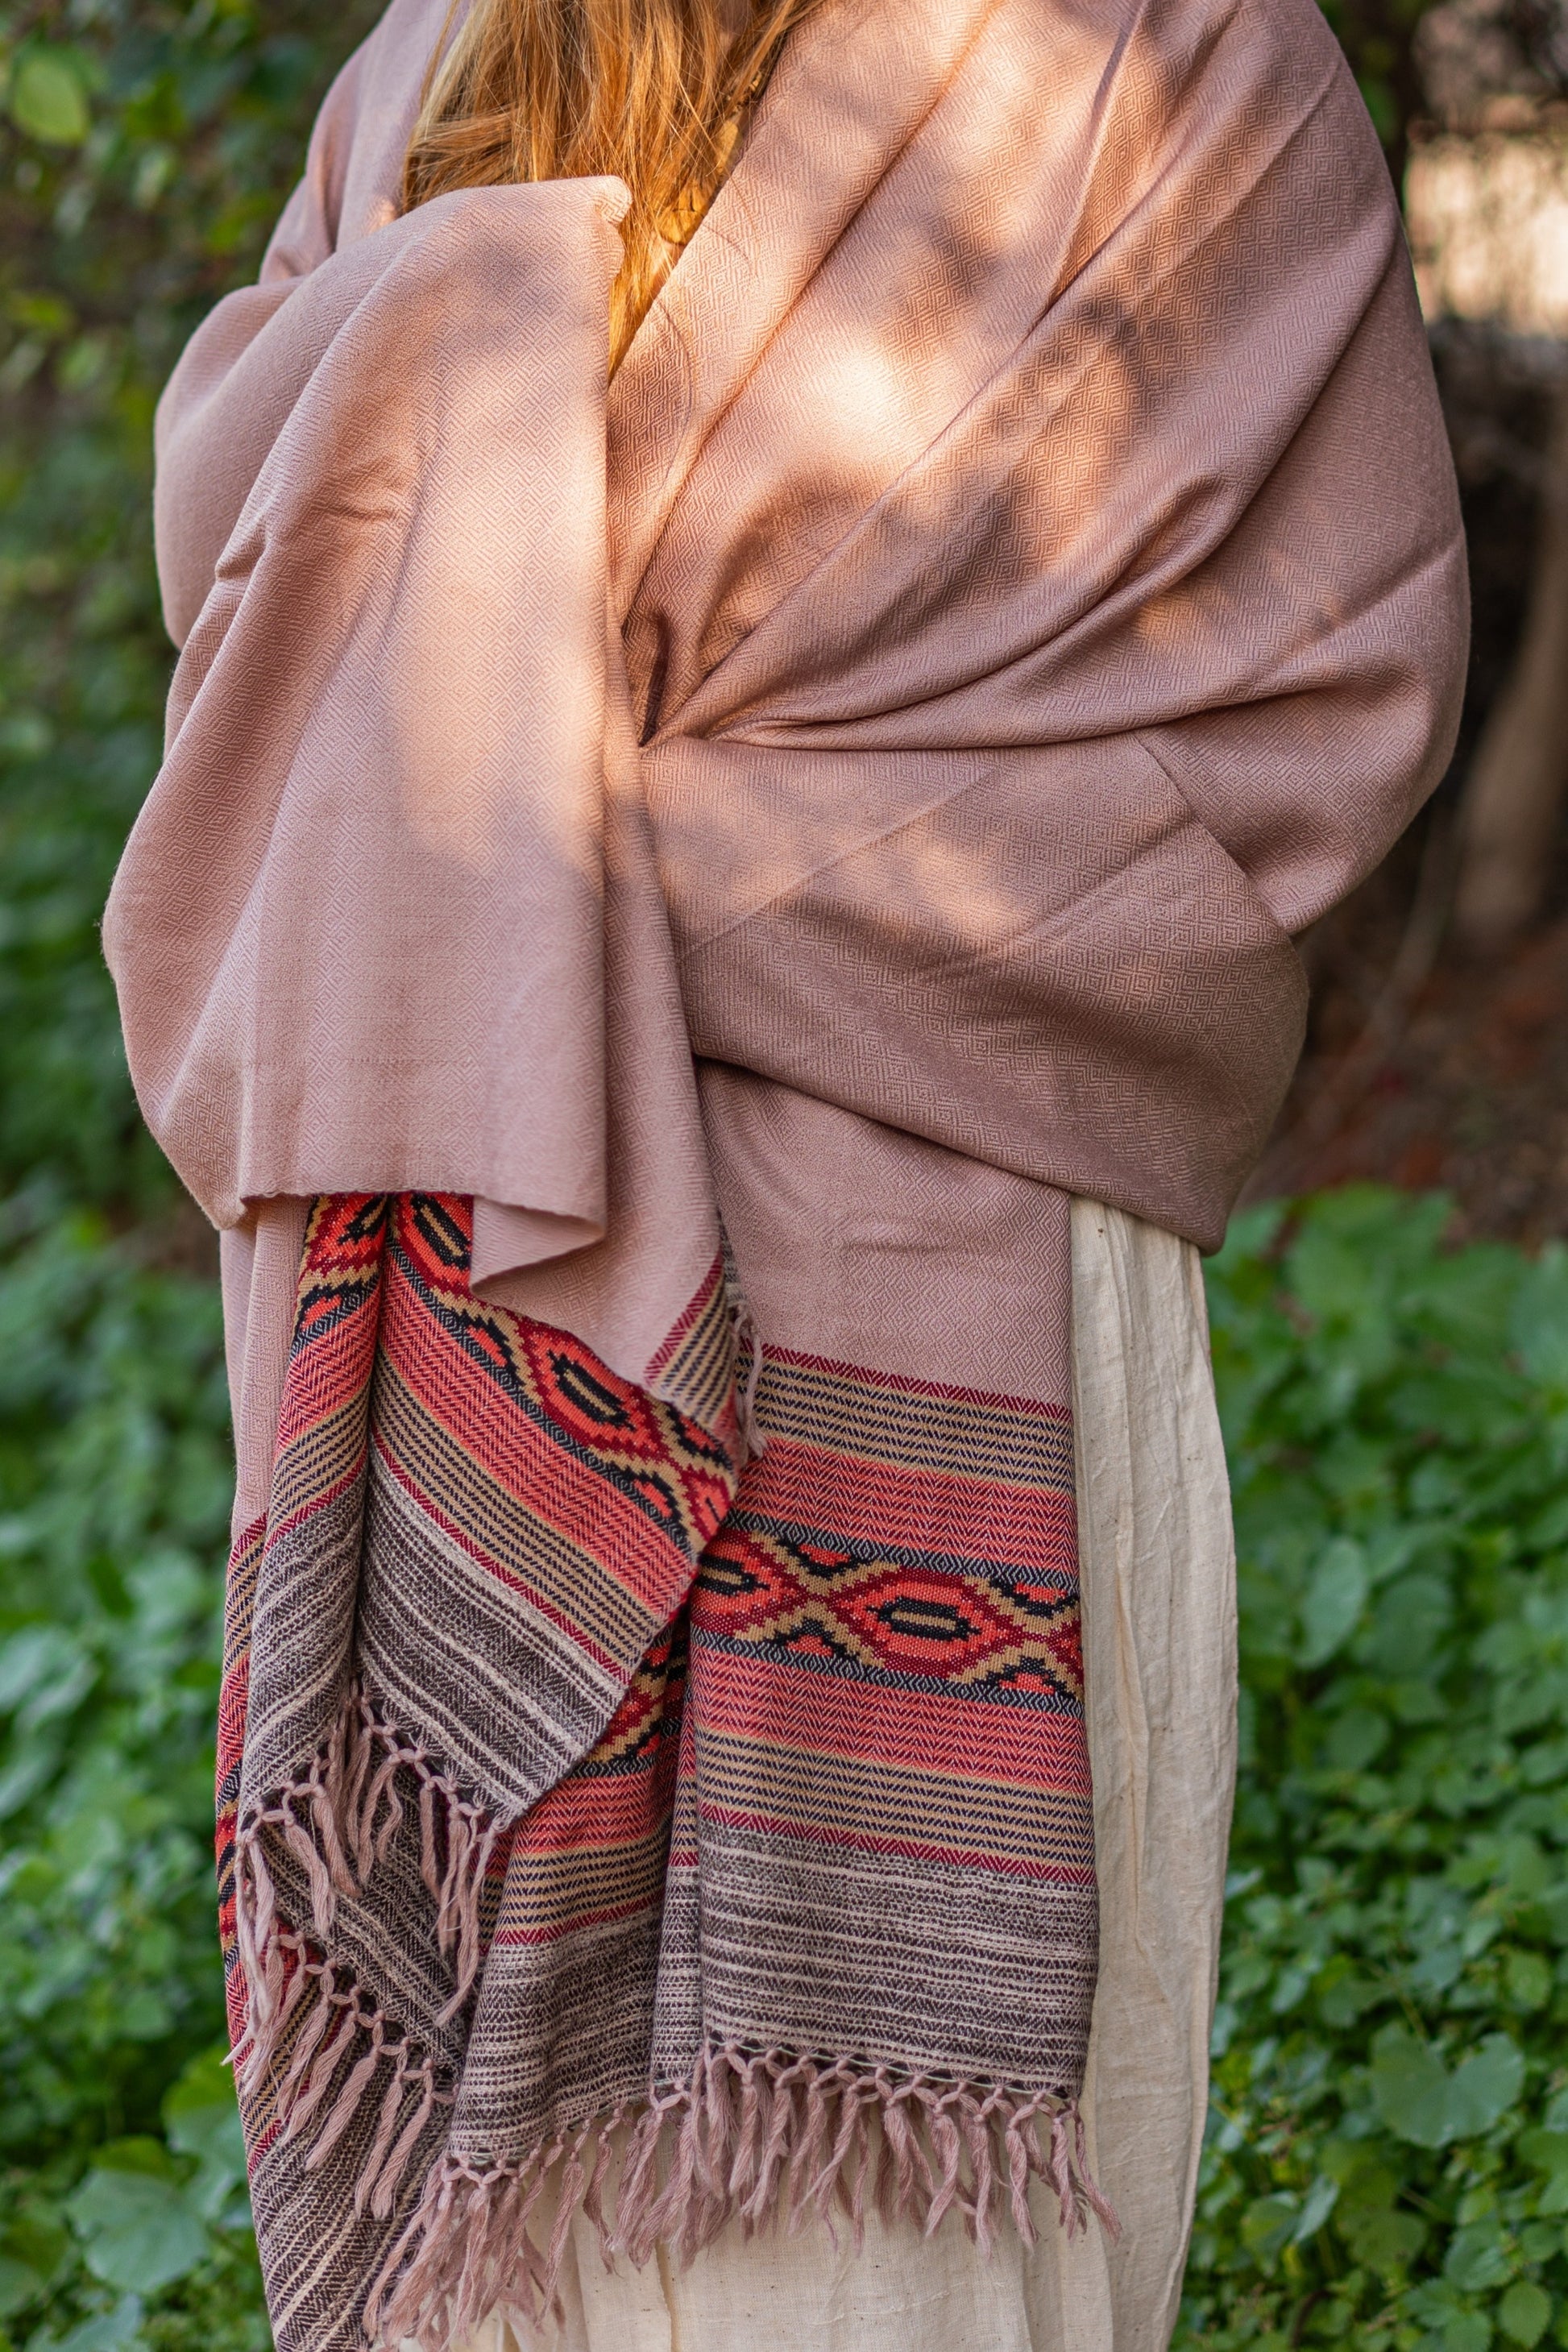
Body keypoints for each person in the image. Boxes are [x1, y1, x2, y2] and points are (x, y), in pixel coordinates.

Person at [103, 0, 1467, 2342]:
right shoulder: (1161, 52)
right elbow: (1301, 718)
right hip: (902, 1199)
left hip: (573, 1241)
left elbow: (297, 722)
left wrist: (536, 892)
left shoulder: (1139, 59)